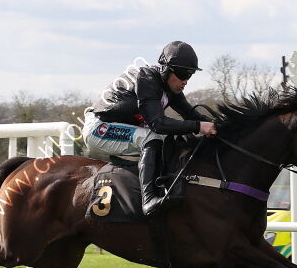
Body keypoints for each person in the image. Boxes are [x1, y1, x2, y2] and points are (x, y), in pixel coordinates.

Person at [83, 40, 217, 216]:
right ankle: (149, 200)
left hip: (117, 126)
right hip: (99, 128)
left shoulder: (169, 87)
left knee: (168, 138)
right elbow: (158, 124)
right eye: (183, 74)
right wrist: (199, 126)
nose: (185, 81)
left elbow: (192, 115)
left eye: (190, 75)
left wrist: (219, 125)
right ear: (166, 70)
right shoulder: (147, 79)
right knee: (152, 137)